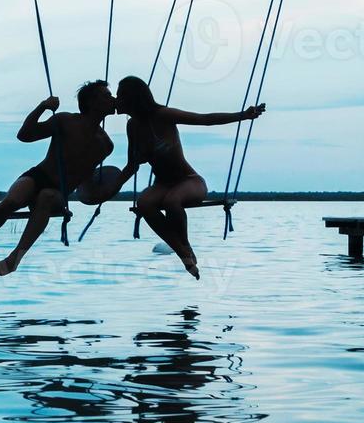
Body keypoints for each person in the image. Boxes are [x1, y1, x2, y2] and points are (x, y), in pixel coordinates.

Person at [0, 80, 116, 276]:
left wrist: (101, 192)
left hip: (58, 192)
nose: (112, 99)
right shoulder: (65, 121)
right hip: (38, 175)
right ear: (91, 102)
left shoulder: (105, 144)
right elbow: (25, 135)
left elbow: (85, 182)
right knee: (13, 200)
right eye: (106, 96)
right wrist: (43, 106)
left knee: (45, 196)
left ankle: (14, 259)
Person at [101, 75, 265, 279]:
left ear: (134, 98)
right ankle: (183, 251)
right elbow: (131, 165)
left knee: (172, 201)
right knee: (144, 203)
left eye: (121, 94)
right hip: (163, 184)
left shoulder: (163, 115)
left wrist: (243, 115)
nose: (117, 99)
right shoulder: (132, 126)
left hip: (189, 181)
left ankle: (184, 249)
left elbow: (204, 120)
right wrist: (107, 191)